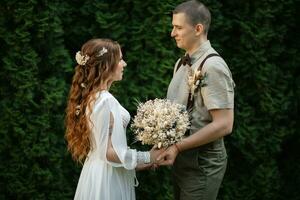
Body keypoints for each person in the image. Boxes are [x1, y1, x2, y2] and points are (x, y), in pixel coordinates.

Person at [65, 38, 163, 200]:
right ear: (105, 66)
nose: (124, 64)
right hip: (107, 178)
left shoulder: (92, 97)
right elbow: (109, 153)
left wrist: (148, 161)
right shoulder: (105, 100)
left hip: (98, 172)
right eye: (120, 60)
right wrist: (148, 156)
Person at [157, 1, 235, 200]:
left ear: (198, 29)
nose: (172, 33)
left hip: (202, 163)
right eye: (173, 27)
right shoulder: (180, 63)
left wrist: (177, 147)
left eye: (178, 27)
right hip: (182, 159)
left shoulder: (213, 66)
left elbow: (224, 124)